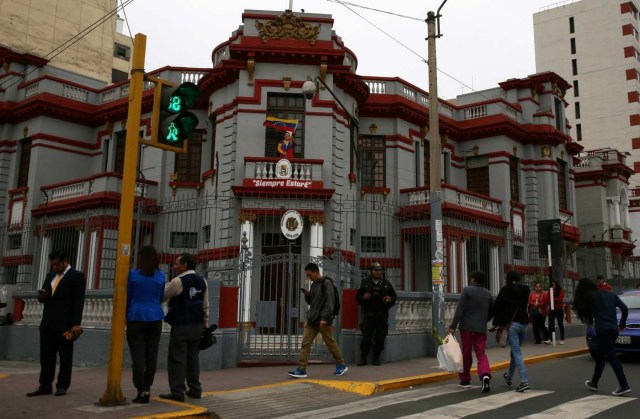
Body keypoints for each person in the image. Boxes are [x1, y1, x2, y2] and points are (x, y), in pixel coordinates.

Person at [27, 250, 86, 397]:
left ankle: (62, 385)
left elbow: (78, 302)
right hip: (47, 323)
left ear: (65, 261)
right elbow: (43, 298)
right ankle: (45, 385)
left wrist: (76, 323)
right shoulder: (50, 276)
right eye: (52, 264)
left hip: (65, 324)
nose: (54, 267)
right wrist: (42, 296)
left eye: (57, 264)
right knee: (46, 357)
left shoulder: (76, 276)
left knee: (65, 356)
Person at [160, 253, 209, 402]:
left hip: (182, 325)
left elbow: (163, 295)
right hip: (197, 325)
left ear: (184, 265)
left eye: (176, 264)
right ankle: (195, 389)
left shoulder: (178, 281)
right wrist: (205, 325)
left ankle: (177, 391)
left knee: (177, 358)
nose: (174, 266)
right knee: (193, 358)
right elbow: (205, 305)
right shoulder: (202, 282)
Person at [287, 263, 348, 378]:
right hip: (312, 318)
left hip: (322, 320)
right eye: (307, 276)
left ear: (316, 272)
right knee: (305, 343)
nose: (308, 277)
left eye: (309, 275)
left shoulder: (327, 283)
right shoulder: (314, 284)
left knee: (330, 342)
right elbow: (313, 303)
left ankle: (341, 364)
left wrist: (324, 318)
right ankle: (301, 369)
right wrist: (307, 295)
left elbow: (329, 303)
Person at [574, 278, 631, 396]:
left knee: (612, 356)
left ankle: (624, 385)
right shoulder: (611, 295)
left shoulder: (591, 297)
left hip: (602, 330)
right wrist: (622, 324)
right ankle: (594, 382)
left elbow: (588, 315)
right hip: (614, 330)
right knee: (600, 356)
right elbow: (624, 309)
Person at [126, 245, 166, 403]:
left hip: (136, 316)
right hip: (155, 317)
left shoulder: (133, 275)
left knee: (138, 356)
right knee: (152, 355)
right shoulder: (161, 276)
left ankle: (140, 388)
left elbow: (128, 296)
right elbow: (161, 296)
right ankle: (147, 387)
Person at [448, 270, 494, 393]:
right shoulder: (488, 294)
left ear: (473, 279)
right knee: (481, 353)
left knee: (466, 353)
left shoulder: (467, 290)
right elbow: (491, 311)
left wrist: (453, 326)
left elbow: (460, 310)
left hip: (467, 327)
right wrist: (483, 320)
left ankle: (465, 379)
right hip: (481, 328)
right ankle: (485, 374)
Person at [492, 270, 531, 393]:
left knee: (517, 352)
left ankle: (524, 381)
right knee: (515, 352)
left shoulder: (505, 290)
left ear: (508, 279)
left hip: (512, 325)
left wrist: (495, 321)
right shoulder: (525, 289)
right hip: (524, 324)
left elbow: (497, 306)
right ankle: (509, 377)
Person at [356, 261, 397, 366]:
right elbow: (358, 297)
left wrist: (389, 299)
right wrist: (363, 297)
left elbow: (394, 297)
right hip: (369, 315)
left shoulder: (386, 283)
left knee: (380, 338)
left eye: (380, 270)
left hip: (382, 315)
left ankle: (376, 358)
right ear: (371, 271)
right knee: (366, 338)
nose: (378, 272)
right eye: (376, 270)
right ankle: (363, 358)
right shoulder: (365, 283)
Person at [547, 279, 565, 344]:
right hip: (551, 309)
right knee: (550, 323)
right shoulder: (550, 291)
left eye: (554, 284)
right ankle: (550, 338)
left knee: (560, 324)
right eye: (552, 285)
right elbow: (548, 300)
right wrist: (553, 299)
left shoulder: (560, 291)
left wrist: (552, 299)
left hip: (559, 309)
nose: (553, 286)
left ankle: (562, 339)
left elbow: (560, 299)